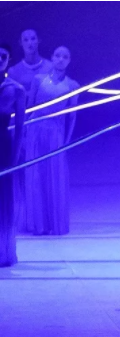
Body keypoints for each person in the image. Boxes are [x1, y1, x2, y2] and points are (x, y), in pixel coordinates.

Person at [22, 46, 79, 235]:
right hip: (35, 130)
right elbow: (29, 107)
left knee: (55, 175)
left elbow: (72, 116)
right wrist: (24, 133)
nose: (61, 59)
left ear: (69, 60)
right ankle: (38, 224)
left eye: (65, 56)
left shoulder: (72, 85)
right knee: (36, 175)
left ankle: (54, 223)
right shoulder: (38, 79)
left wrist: (67, 142)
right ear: (52, 58)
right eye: (58, 55)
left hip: (56, 134)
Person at [7, 29, 53, 232]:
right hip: (22, 127)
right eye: (25, 39)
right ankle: (24, 218)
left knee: (43, 172)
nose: (30, 42)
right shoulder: (14, 71)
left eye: (33, 38)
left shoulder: (50, 67)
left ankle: (44, 218)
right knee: (22, 174)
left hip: (44, 127)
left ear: (39, 40)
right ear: (20, 43)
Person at [0, 43, 26, 267]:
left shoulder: (16, 89)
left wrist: (16, 158)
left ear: (9, 60)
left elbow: (20, 129)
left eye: (3, 56)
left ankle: (2, 250)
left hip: (3, 146)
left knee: (3, 196)